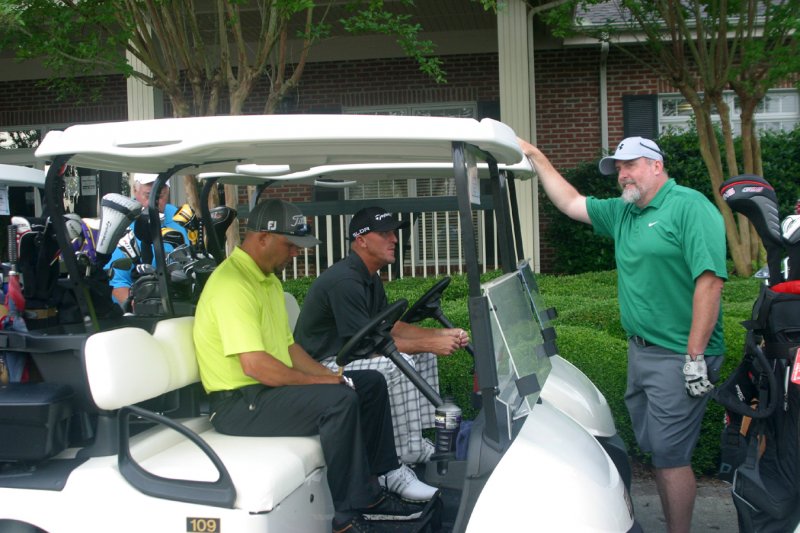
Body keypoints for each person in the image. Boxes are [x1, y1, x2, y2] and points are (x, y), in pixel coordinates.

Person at [518, 136, 726, 533]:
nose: (622, 175)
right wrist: (537, 156)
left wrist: (695, 356)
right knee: (656, 450)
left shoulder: (690, 207)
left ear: (656, 166)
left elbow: (710, 281)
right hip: (642, 352)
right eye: (618, 169)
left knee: (670, 456)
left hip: (679, 356)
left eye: (630, 165)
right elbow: (570, 202)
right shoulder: (624, 212)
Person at [193, 199, 431, 533]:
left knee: (369, 383)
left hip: (262, 394)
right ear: (262, 238)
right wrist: (320, 383)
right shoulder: (233, 285)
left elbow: (289, 349)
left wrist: (332, 375)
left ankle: (382, 479)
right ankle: (350, 513)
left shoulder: (267, 280)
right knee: (339, 401)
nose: (296, 253)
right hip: (237, 404)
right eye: (290, 245)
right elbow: (256, 366)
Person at [294, 206, 468, 501]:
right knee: (394, 366)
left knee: (423, 355)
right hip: (321, 366)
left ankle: (414, 445)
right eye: (385, 233)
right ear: (361, 240)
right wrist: (430, 343)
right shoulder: (344, 281)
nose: (394, 239)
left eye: (393, 233)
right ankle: (390, 467)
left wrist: (438, 336)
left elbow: (389, 327)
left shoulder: (368, 276)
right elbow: (369, 345)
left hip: (345, 356)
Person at [107, 173, 188, 306]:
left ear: (168, 192)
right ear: (135, 191)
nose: (153, 203)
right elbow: (117, 283)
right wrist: (140, 308)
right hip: (138, 306)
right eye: (148, 195)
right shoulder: (121, 223)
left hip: (177, 301)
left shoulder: (178, 217)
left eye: (160, 196)